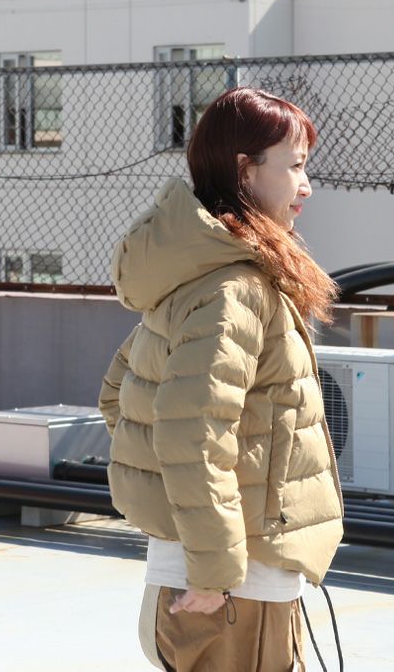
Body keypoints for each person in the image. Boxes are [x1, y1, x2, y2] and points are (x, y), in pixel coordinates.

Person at [98, 87, 344, 671]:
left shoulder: (209, 279)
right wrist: (211, 569)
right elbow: (192, 434)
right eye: (295, 166)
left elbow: (121, 396)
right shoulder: (233, 289)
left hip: (232, 575)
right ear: (245, 169)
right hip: (233, 588)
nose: (307, 186)